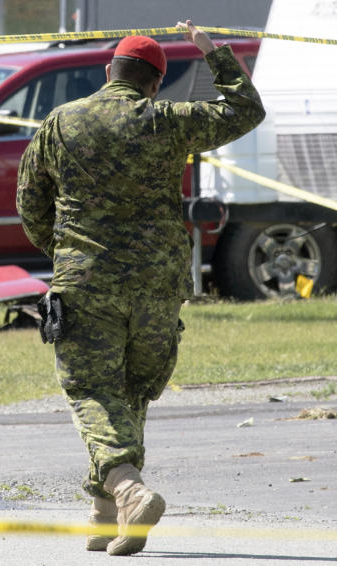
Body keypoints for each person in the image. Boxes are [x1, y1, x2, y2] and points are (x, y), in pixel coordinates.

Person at [17, 21, 265, 556]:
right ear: (155, 83)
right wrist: (211, 52)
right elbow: (246, 110)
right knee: (128, 393)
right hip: (158, 283)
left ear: (109, 72)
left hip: (87, 280)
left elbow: (29, 202)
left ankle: (127, 490)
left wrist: (63, 254)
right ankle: (105, 513)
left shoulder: (63, 122)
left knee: (89, 390)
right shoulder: (168, 120)